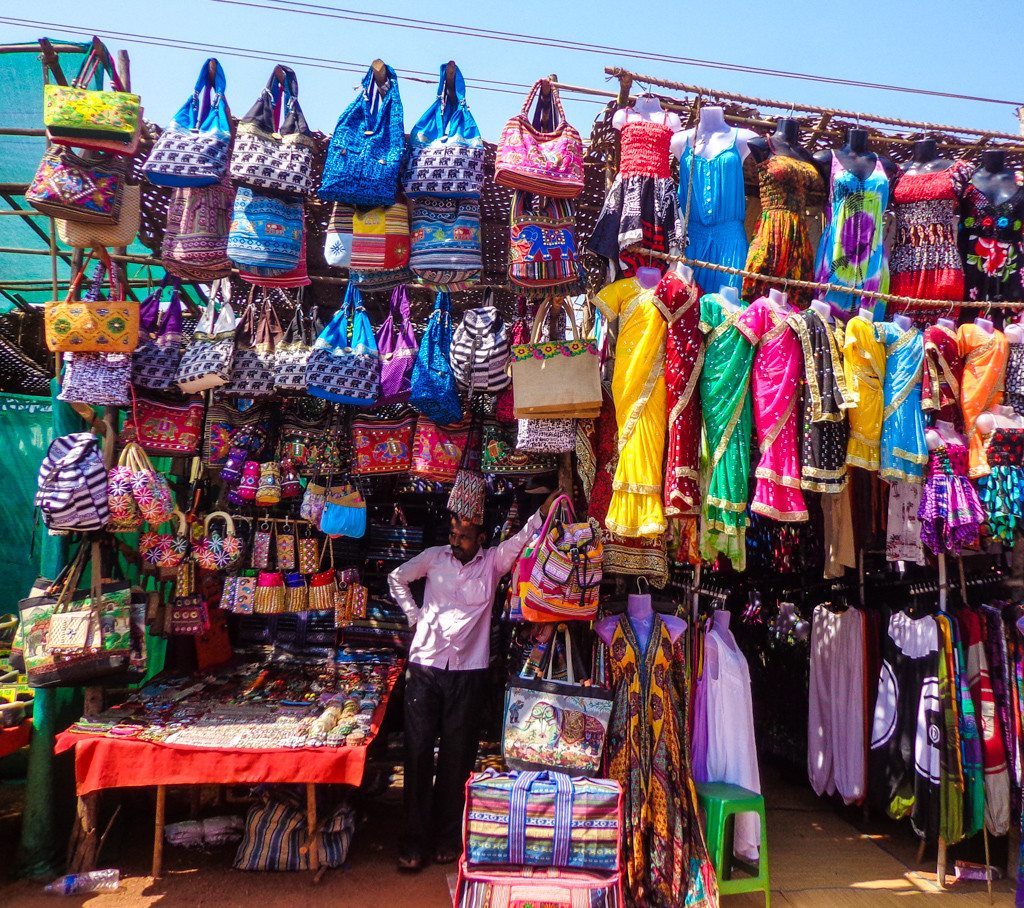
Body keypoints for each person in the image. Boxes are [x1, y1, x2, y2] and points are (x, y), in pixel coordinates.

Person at [388, 489, 561, 871]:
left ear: (480, 537)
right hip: (425, 667)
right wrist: (415, 618)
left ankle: (448, 836)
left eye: (463, 536)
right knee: (417, 753)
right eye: (453, 535)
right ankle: (414, 840)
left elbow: (520, 543)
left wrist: (540, 513)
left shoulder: (492, 564)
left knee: (457, 755)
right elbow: (396, 578)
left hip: (468, 672)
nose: (456, 542)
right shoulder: (434, 558)